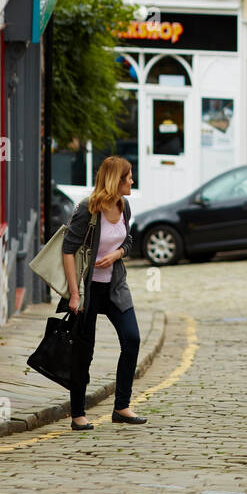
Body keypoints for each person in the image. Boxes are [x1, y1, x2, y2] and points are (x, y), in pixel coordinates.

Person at [61, 155, 147, 432]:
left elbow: (129, 240)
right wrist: (74, 295)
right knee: (84, 350)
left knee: (132, 339)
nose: (132, 180)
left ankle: (121, 407)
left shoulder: (125, 206)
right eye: (129, 176)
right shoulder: (89, 208)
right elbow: (68, 250)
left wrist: (117, 254)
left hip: (114, 286)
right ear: (116, 180)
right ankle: (78, 414)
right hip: (87, 290)